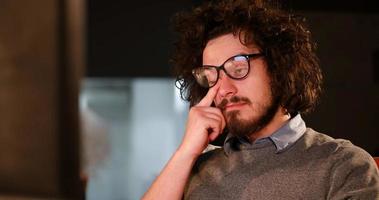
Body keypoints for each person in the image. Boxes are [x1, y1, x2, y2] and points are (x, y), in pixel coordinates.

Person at [142, 0, 379, 199]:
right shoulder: (193, 166)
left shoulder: (343, 165)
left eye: (238, 67)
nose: (223, 89)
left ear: (280, 67)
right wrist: (186, 152)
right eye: (211, 75)